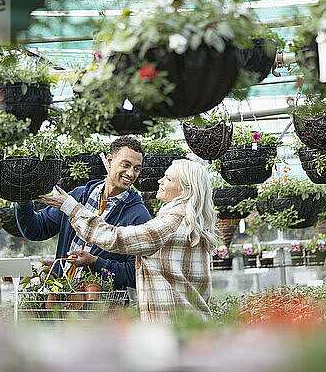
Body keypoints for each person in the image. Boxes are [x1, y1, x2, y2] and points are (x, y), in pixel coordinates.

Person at [38, 159, 220, 323]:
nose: (160, 181)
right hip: (192, 323)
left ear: (186, 190)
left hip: (173, 328)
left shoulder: (172, 222)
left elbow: (116, 238)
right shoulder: (192, 222)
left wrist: (71, 207)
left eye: (168, 179)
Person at [15, 136, 151, 290]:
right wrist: (23, 201)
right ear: (110, 161)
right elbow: (36, 230)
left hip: (103, 307)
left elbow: (137, 274)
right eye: (126, 165)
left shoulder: (138, 215)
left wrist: (95, 262)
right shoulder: (79, 196)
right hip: (63, 298)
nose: (131, 173)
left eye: (136, 168)